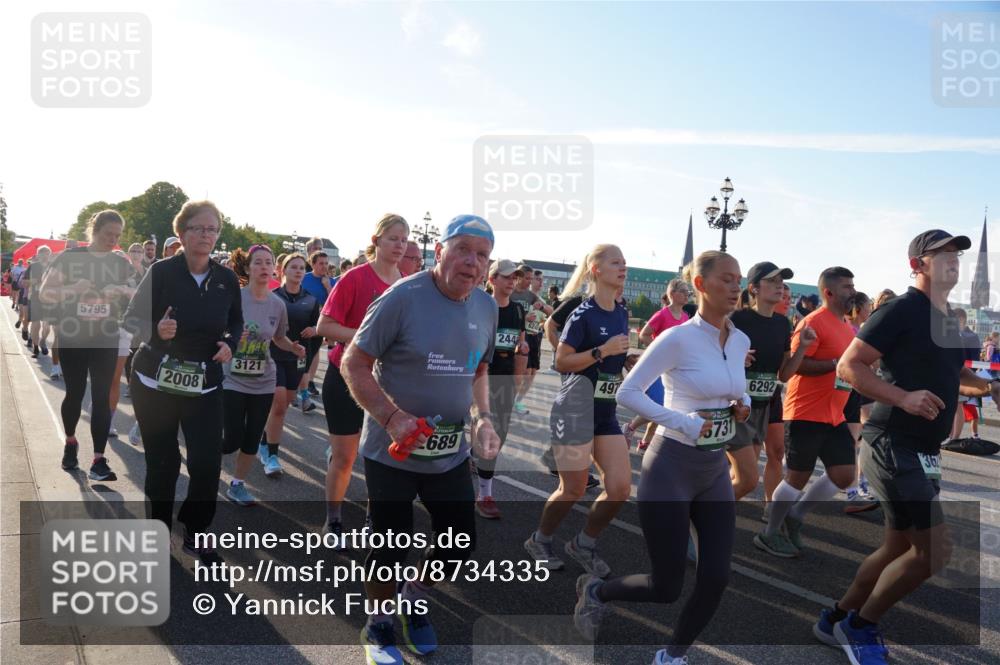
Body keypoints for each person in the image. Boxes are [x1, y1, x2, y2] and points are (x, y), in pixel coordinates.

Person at [813, 230, 999, 664]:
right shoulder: (900, 310)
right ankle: (859, 627)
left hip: (925, 450)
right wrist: (902, 397)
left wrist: (988, 386)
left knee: (898, 547)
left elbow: (951, 376)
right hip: (892, 442)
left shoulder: (947, 319)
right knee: (935, 550)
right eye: (944, 254)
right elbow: (849, 365)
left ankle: (836, 617)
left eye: (957, 254)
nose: (954, 260)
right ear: (918, 264)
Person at [573, 251, 751, 665]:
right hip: (671, 466)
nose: (736, 286)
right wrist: (684, 423)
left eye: (739, 279)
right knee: (666, 586)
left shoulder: (740, 339)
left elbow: (734, 389)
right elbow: (628, 393)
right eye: (726, 279)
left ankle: (672, 655)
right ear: (701, 286)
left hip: (712, 471)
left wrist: (740, 403)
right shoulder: (678, 338)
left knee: (716, 577)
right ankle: (597, 590)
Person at [340, 214, 500, 665]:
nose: (472, 262)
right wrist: (391, 417)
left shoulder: (486, 307)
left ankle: (412, 596)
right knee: (389, 544)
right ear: (440, 251)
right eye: (463, 249)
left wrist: (483, 417)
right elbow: (353, 363)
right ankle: (378, 622)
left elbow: (480, 370)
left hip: (449, 453)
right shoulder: (402, 298)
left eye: (482, 254)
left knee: (460, 543)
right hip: (392, 449)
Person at [124, 200, 242, 562]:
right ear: (182, 232)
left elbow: (235, 322)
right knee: (164, 463)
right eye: (199, 228)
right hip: (155, 382)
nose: (206, 235)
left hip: (203, 384)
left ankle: (196, 528)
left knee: (207, 463)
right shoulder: (161, 272)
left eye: (213, 229)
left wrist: (230, 344)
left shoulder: (225, 280)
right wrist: (157, 331)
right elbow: (131, 321)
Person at [524, 244, 631, 578]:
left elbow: (613, 357)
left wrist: (626, 360)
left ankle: (584, 542)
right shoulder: (583, 314)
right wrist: (602, 351)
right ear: (596, 270)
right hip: (574, 409)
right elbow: (562, 361)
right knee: (572, 488)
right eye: (616, 262)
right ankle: (539, 540)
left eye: (624, 262)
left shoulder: (622, 311)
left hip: (605, 412)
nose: (623, 266)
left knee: (620, 488)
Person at [754, 267, 858, 558]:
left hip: (834, 414)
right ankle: (769, 532)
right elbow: (796, 366)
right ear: (829, 292)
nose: (853, 291)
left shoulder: (846, 326)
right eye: (847, 287)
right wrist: (836, 364)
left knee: (844, 474)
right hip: (805, 412)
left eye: (852, 285)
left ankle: (796, 515)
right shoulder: (813, 323)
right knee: (796, 477)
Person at [317, 214, 409, 542]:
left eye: (404, 239)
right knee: (345, 458)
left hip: (386, 386)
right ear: (376, 241)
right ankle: (334, 520)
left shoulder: (407, 284)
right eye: (393, 238)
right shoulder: (355, 278)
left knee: (380, 460)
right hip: (345, 378)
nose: (399, 245)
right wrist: (365, 337)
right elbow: (324, 326)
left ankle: (375, 521)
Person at [38, 211, 134, 480]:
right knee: (75, 393)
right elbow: (46, 292)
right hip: (74, 336)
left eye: (117, 236)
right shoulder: (70, 258)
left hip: (105, 336)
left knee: (102, 396)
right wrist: (74, 289)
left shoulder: (120, 261)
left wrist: (122, 291)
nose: (113, 241)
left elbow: (136, 292)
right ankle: (70, 442)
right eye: (108, 235)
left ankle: (98, 460)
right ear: (94, 230)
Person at [222, 245, 304, 505]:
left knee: (253, 436)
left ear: (274, 269)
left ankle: (237, 484)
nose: (264, 267)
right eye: (258, 263)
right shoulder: (234, 298)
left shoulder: (277, 305)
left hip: (264, 380)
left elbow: (278, 337)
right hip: (232, 378)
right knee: (231, 437)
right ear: (247, 268)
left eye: (269, 263)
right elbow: (217, 331)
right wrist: (231, 336)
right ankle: (206, 463)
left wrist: (292, 347)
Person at [727, 263, 815, 503]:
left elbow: (784, 375)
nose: (780, 287)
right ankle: (701, 513)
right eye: (773, 282)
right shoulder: (737, 319)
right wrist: (733, 357)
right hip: (735, 407)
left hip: (763, 407)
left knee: (741, 475)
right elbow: (711, 352)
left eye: (781, 282)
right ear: (754, 288)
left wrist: (803, 348)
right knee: (746, 478)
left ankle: (707, 514)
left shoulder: (781, 324)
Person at [475, 260, 528, 519]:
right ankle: (484, 493)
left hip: (504, 381)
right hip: (478, 378)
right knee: (483, 433)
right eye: (506, 277)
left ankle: (481, 480)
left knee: (500, 435)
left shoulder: (518, 310)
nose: (511, 281)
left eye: (514, 277)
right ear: (492, 279)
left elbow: (521, 343)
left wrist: (519, 374)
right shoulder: (481, 305)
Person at [626, 279, 691, 451]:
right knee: (659, 404)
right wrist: (659, 349)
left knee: (665, 405)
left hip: (676, 369)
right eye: (683, 291)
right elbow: (644, 335)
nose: (687, 295)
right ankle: (630, 427)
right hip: (658, 367)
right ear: (672, 294)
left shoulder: (685, 317)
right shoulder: (662, 315)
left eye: (688, 292)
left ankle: (646, 441)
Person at [844, 292, 880, 514]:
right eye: (868, 306)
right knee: (849, 441)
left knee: (860, 437)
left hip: (860, 388)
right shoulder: (847, 328)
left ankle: (857, 485)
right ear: (858, 307)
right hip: (844, 391)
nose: (870, 309)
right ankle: (851, 489)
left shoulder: (865, 330)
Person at [510, 264, 554, 415]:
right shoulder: (511, 293)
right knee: (524, 372)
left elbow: (551, 312)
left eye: (531, 278)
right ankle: (513, 401)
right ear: (519, 277)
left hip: (536, 336)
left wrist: (541, 307)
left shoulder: (532, 296)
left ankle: (517, 400)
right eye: (528, 278)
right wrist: (525, 317)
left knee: (532, 373)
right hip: (523, 335)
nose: (530, 281)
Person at [300, 250, 333, 409]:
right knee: (300, 359)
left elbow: (335, 305)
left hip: (319, 325)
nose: (324, 266)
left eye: (326, 263)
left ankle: (302, 392)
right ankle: (299, 393)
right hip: (301, 323)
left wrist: (327, 287)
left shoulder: (331, 282)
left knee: (310, 357)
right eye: (321, 263)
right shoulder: (304, 278)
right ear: (312, 264)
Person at [951, 308, 984, 441]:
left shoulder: (972, 336)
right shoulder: (952, 334)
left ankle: (955, 437)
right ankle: (950, 435)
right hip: (951, 373)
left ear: (961, 319)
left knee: (958, 405)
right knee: (952, 406)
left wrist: (970, 377)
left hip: (963, 375)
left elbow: (975, 360)